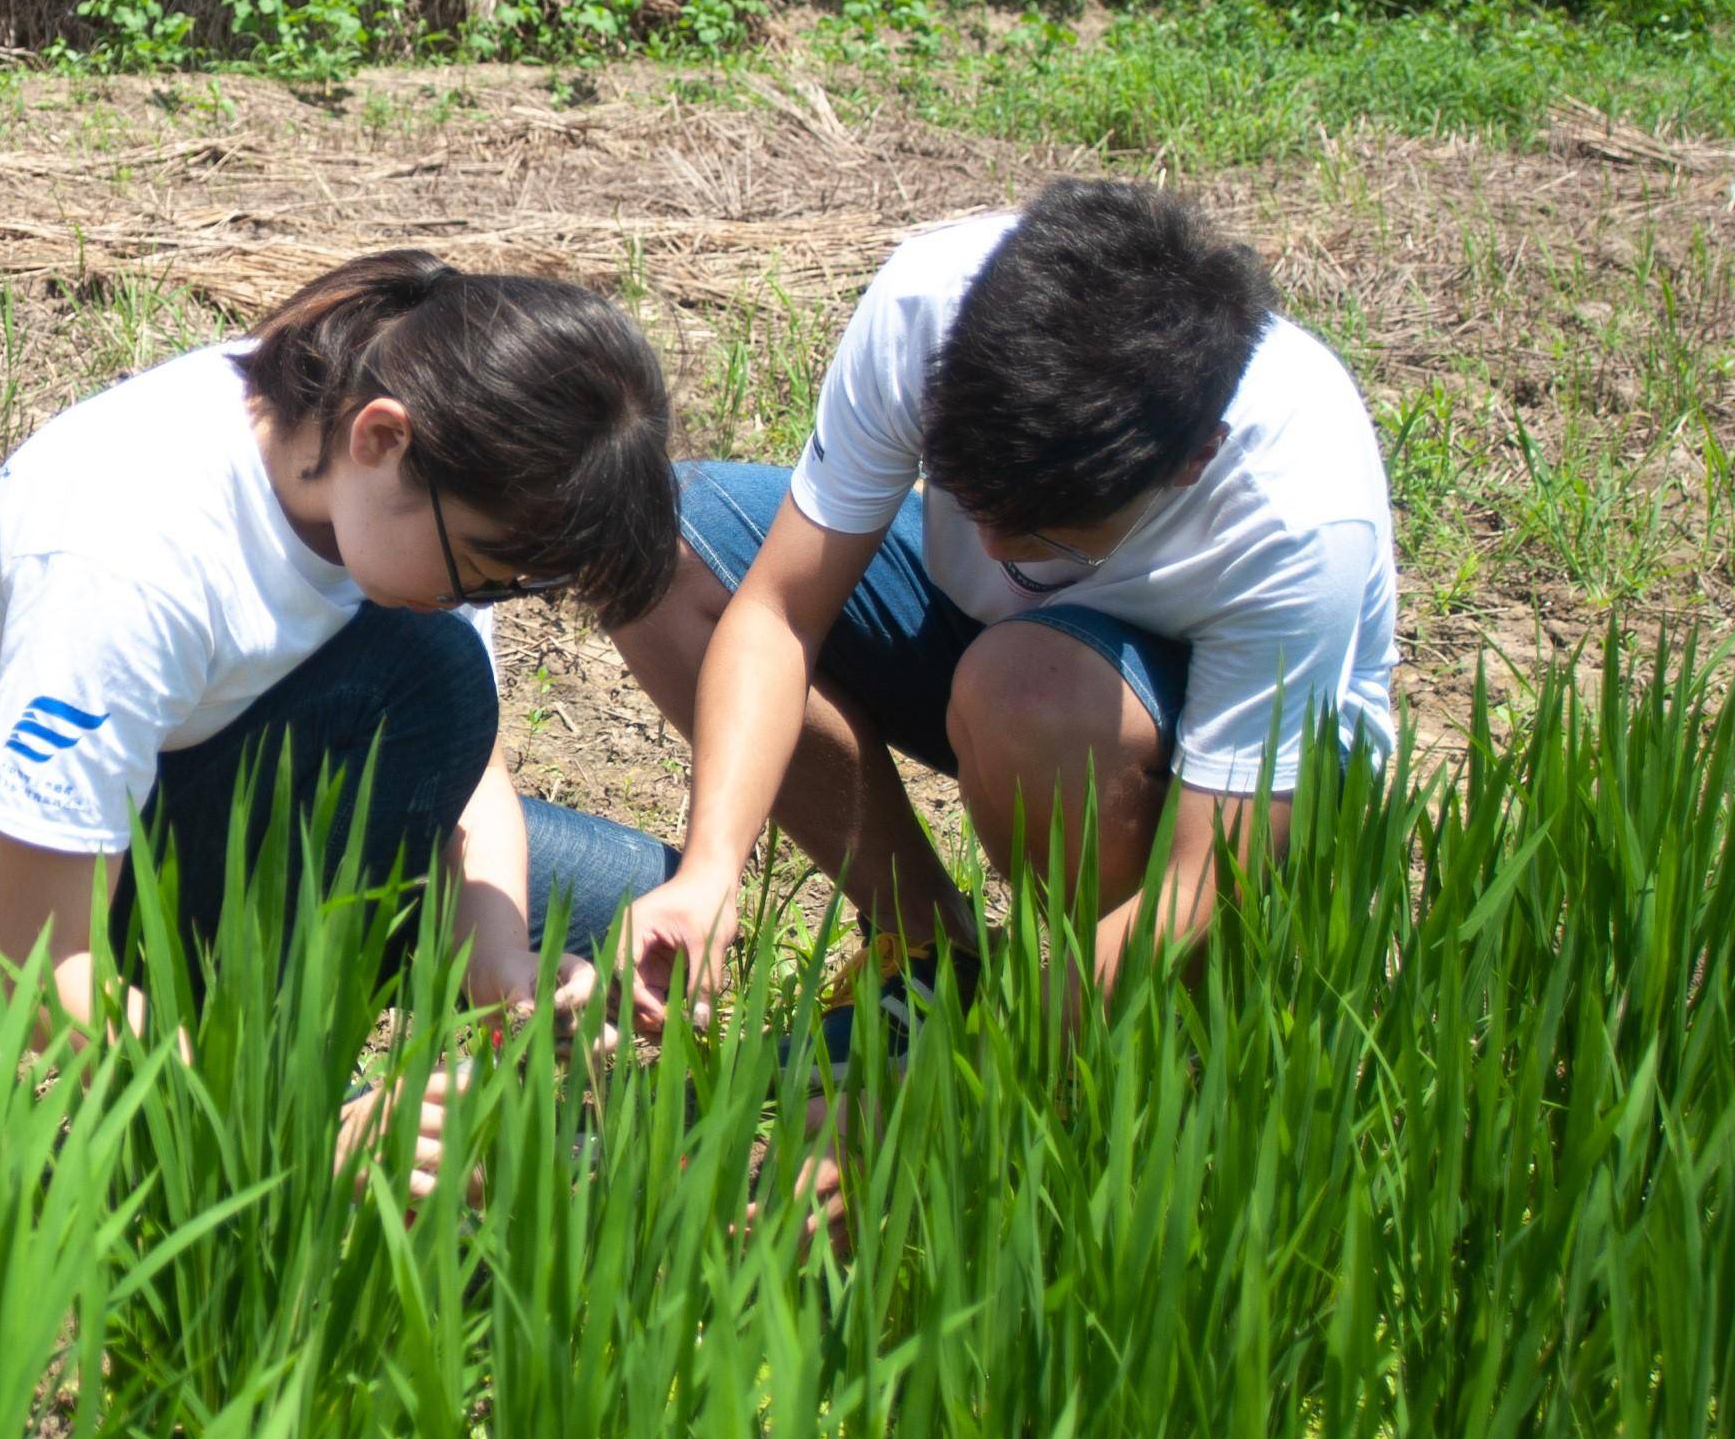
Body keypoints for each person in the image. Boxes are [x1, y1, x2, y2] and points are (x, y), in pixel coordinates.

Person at [584, 179, 1400, 1036]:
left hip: (1230, 772)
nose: (1001, 553)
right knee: (662, 551)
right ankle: (936, 953)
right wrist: (712, 870)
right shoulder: (932, 305)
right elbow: (779, 614)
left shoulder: (1299, 511)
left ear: (1193, 460)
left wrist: (949, 1098)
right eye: (971, 502)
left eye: (1055, 535)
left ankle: (1136, 1036)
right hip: (1016, 670)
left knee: (1027, 684)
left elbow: (1201, 883)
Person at [0, 251, 682, 1035]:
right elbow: (32, 962)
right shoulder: (128, 550)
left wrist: (496, 949)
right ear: (382, 438)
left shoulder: (417, 465)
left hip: (240, 772)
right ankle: (261, 1058)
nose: (479, 599)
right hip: (36, 894)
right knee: (432, 669)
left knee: (642, 903)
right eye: (481, 573)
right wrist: (267, 1116)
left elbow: (477, 771)